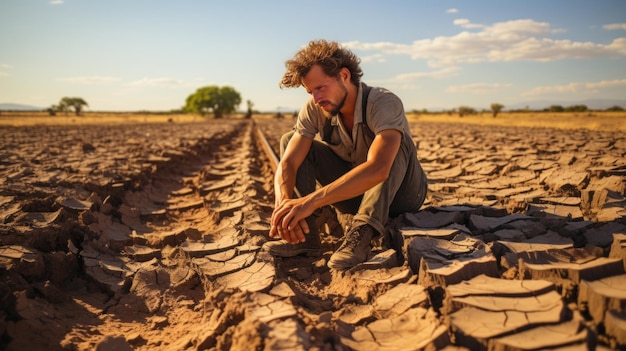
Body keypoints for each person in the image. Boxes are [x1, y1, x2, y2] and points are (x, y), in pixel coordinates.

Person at [264, 39, 428, 270]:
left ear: (344, 75)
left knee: (394, 145)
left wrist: (310, 202)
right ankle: (305, 239)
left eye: (320, 88)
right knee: (290, 140)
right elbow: (289, 161)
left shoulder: (383, 102)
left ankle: (361, 234)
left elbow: (379, 168)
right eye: (310, 91)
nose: (316, 98)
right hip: (355, 193)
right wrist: (284, 203)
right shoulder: (316, 108)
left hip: (402, 195)